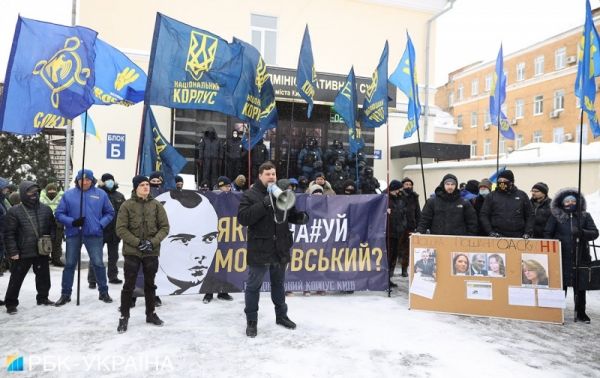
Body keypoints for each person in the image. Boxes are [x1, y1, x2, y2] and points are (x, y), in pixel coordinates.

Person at [238, 162, 309, 337]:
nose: (271, 177)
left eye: (274, 174)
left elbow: (289, 214)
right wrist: (264, 204)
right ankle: (252, 321)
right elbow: (244, 218)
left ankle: (281, 316)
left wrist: (299, 217)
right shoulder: (250, 195)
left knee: (278, 285)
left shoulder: (280, 192)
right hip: (260, 250)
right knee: (254, 287)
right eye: (268, 174)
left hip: (280, 249)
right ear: (260, 175)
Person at [116, 175, 170, 333]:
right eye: (142, 185)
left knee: (150, 284)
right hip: (132, 251)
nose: (146, 187)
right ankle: (124, 317)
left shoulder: (156, 205)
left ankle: (151, 313)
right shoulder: (127, 205)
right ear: (135, 188)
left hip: (151, 252)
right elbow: (121, 229)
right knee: (129, 285)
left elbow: (165, 227)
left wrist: (152, 242)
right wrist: (137, 242)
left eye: (147, 184)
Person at [54, 169, 115, 306]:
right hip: (73, 234)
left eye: (88, 179)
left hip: (94, 234)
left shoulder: (101, 194)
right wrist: (72, 222)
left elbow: (110, 212)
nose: (85, 182)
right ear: (77, 180)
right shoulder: (68, 195)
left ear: (92, 180)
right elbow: (58, 213)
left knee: (98, 263)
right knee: (69, 264)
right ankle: (65, 294)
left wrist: (100, 224)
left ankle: (103, 292)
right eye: (82, 179)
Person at [544, 189, 598, 323]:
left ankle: (580, 312)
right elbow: (547, 233)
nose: (570, 203)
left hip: (580, 256)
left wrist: (582, 232)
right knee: (560, 285)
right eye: (567, 201)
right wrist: (554, 246)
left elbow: (595, 233)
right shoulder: (555, 216)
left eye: (573, 201)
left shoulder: (585, 216)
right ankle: (558, 311)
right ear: (562, 203)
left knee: (580, 286)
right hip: (561, 256)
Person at [3, 181, 56, 313]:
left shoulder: (46, 209)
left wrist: (50, 242)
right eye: (30, 191)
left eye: (35, 191)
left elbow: (52, 228)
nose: (33, 194)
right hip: (22, 252)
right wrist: (13, 251)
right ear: (23, 193)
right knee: (16, 278)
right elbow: (9, 234)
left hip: (41, 251)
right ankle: (11, 303)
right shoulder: (14, 211)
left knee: (44, 276)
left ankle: (43, 297)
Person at [88, 173, 125, 287]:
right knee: (96, 256)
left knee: (113, 256)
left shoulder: (119, 195)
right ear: (103, 182)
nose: (110, 182)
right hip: (101, 231)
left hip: (115, 231)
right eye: (107, 180)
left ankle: (113, 276)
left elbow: (124, 213)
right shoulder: (97, 194)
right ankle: (93, 279)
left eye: (111, 180)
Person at [203, 176, 234, 304]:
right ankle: (208, 293)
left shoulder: (232, 198)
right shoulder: (213, 198)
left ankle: (223, 291)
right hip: (214, 237)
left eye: (229, 186)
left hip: (227, 237)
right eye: (226, 186)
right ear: (220, 187)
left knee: (224, 264)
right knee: (212, 265)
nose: (229, 188)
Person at [480, 169, 534, 238]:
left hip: (519, 236)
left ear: (511, 182)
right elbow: (484, 215)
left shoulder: (522, 195)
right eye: (499, 181)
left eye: (504, 181)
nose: (502, 183)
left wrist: (527, 232)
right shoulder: (491, 196)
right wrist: (490, 231)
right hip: (497, 235)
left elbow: (530, 215)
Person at [398, 177, 420, 277]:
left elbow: (417, 212)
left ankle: (404, 269)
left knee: (407, 250)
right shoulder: (399, 195)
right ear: (402, 186)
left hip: (410, 226)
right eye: (406, 184)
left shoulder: (414, 197)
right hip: (399, 226)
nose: (408, 186)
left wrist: (418, 225)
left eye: (410, 184)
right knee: (396, 248)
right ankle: (391, 269)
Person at [387, 180, 407, 287]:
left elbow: (403, 213)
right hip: (388, 233)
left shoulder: (400, 199)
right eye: (399, 189)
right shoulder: (385, 198)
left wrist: (403, 225)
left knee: (394, 256)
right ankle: (384, 278)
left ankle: (389, 278)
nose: (401, 191)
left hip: (397, 232)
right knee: (388, 256)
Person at [40, 182, 65, 267]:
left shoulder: (61, 197)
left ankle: (56, 259)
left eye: (53, 190)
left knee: (57, 242)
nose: (52, 191)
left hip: (58, 221)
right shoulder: (41, 198)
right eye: (50, 190)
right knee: (45, 240)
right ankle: (44, 258)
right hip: (45, 222)